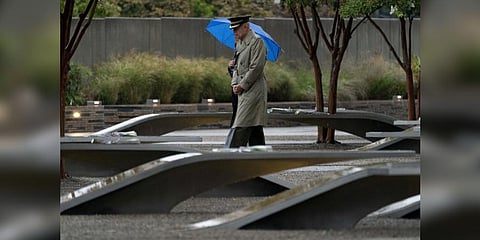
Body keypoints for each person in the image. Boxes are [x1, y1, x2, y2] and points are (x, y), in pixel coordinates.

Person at [225, 15, 268, 148]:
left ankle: (229, 156)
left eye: (237, 29)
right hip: (242, 91)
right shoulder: (239, 43)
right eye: (233, 30)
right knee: (254, 126)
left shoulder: (257, 42)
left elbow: (256, 68)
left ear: (246, 26)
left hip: (253, 91)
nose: (235, 32)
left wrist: (242, 85)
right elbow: (238, 69)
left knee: (241, 125)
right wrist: (234, 83)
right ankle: (260, 160)